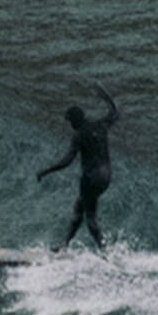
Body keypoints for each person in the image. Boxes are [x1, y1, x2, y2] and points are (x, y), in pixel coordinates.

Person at [35, 87, 120, 249]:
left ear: (73, 121)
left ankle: (104, 251)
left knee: (90, 216)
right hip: (106, 176)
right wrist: (106, 96)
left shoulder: (79, 135)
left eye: (68, 122)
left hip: (91, 178)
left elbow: (67, 161)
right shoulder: (100, 125)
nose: (68, 125)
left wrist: (45, 171)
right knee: (79, 208)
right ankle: (65, 245)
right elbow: (115, 113)